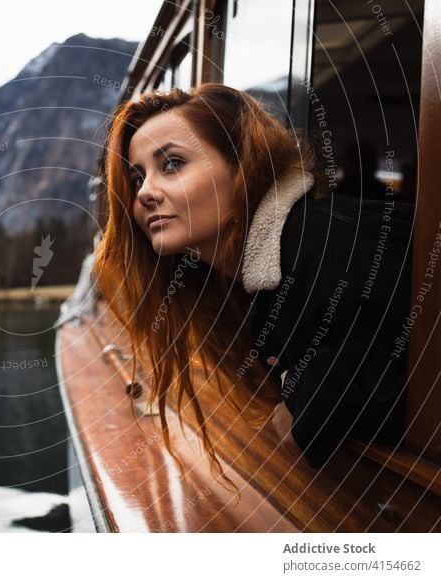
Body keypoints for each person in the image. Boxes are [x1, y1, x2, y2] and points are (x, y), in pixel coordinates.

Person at [92, 84, 414, 476]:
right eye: (137, 177)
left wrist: (307, 398)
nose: (144, 193)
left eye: (172, 164)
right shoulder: (244, 281)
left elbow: (414, 368)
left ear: (243, 165)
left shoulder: (336, 245)